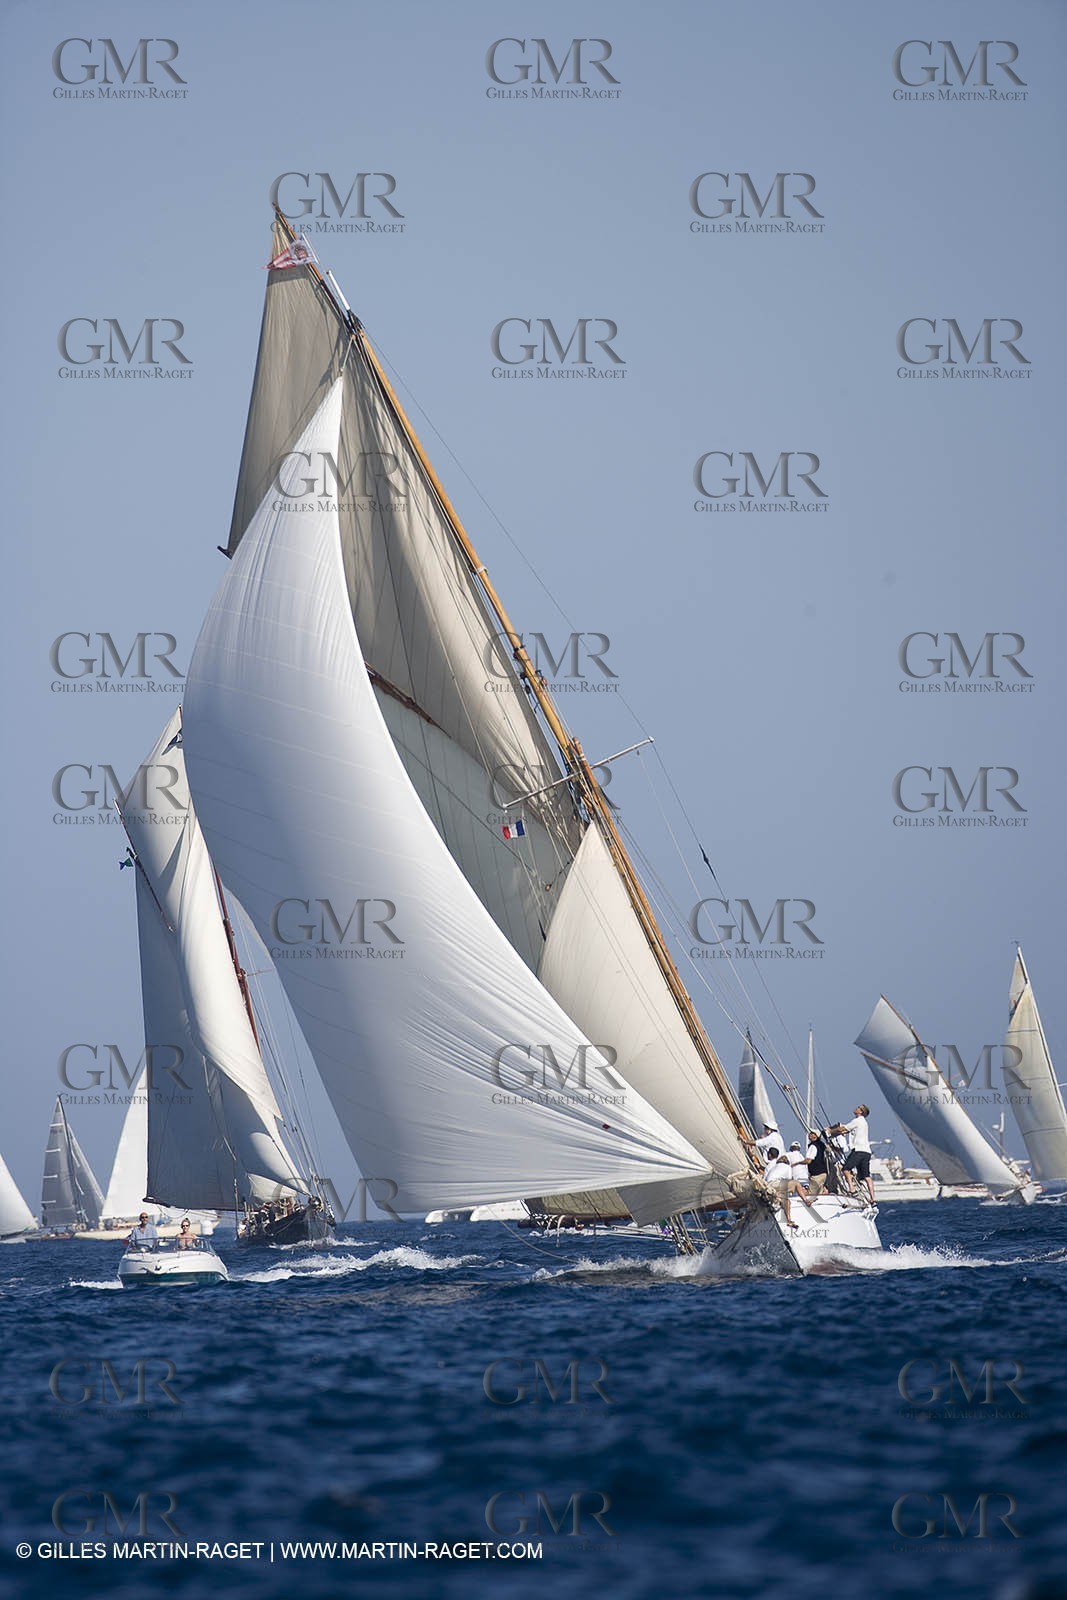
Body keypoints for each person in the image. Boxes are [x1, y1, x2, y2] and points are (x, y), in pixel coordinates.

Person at [826, 1105, 875, 1204]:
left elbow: (842, 1129)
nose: (856, 1108)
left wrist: (830, 1131)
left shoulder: (857, 1120)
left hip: (858, 1150)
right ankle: (873, 1198)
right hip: (867, 1152)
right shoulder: (864, 1123)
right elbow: (847, 1130)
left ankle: (852, 1189)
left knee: (846, 1169)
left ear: (861, 1112)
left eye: (858, 1108)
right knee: (866, 1176)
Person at [762, 1147, 802, 1229]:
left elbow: (764, 1180)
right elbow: (789, 1179)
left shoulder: (771, 1166)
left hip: (768, 1187)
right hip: (775, 1185)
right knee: (794, 1187)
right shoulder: (786, 1167)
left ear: (769, 1155)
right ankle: (789, 1219)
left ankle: (787, 1219)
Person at [805, 1130, 830, 1195]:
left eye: (812, 1133)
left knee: (810, 1194)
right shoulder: (821, 1145)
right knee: (819, 1194)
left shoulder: (813, 1146)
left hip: (817, 1174)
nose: (810, 1134)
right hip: (823, 1173)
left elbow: (809, 1160)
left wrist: (797, 1163)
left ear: (815, 1136)